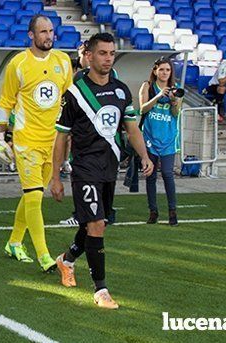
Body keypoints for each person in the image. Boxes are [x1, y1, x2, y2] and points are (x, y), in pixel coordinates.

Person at [50, 33, 154, 309]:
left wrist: (144, 155)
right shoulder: (74, 93)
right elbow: (61, 137)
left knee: (95, 223)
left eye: (111, 54)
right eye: (103, 53)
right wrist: (55, 176)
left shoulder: (121, 90)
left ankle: (67, 259)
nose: (108, 58)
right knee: (96, 225)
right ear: (90, 56)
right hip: (84, 168)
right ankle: (101, 290)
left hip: (110, 167)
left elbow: (131, 128)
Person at [0, 14, 73, 269]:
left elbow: (68, 100)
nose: (48, 36)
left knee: (32, 196)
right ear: (31, 35)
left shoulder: (63, 61)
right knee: (35, 196)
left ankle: (14, 242)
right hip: (26, 140)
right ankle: (44, 256)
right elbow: (5, 102)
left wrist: (71, 134)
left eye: (51, 31)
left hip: (52, 142)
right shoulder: (18, 64)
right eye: (43, 32)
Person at [139, 58, 181, 226]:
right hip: (149, 137)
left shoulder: (176, 90)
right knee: (150, 175)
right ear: (155, 70)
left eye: (168, 70)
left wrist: (174, 101)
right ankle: (153, 211)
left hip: (168, 137)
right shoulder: (147, 86)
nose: (165, 73)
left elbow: (176, 113)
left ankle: (172, 212)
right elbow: (142, 109)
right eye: (162, 69)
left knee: (168, 174)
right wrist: (157, 96)